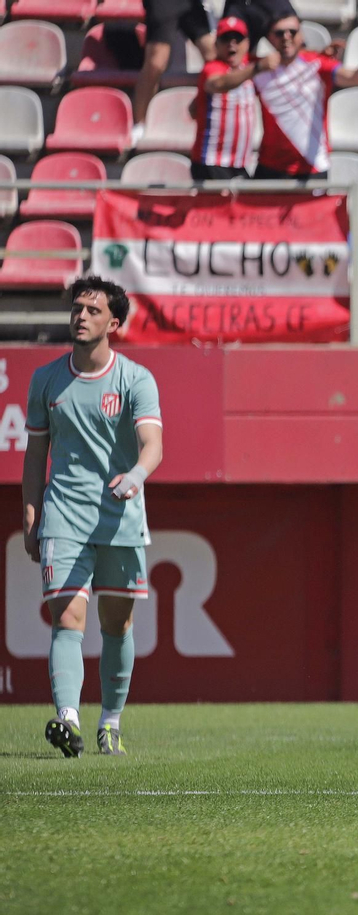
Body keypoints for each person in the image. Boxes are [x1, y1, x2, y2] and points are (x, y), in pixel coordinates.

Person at [22, 277, 164, 759]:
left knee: (117, 625)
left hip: (121, 516)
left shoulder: (135, 379)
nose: (81, 316)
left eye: (93, 310)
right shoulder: (45, 379)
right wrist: (31, 513)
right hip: (63, 514)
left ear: (114, 323)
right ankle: (67, 719)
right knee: (67, 618)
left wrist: (137, 474)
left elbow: (153, 444)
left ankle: (110, 721)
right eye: (77, 308)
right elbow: (34, 453)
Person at [251, 13, 358, 181]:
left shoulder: (317, 63)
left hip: (312, 165)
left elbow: (353, 77)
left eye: (292, 32)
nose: (286, 37)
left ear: (301, 35)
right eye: (279, 33)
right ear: (270, 38)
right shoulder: (259, 68)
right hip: (271, 165)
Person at [190, 16, 273, 183]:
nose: (232, 44)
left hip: (238, 163)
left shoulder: (248, 66)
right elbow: (219, 83)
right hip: (212, 161)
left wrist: (321, 53)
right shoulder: (213, 67)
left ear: (247, 43)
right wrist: (256, 68)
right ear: (216, 44)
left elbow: (285, 59)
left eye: (238, 39)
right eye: (226, 39)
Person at [131, 0, 216, 147]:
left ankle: (215, 115)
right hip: (164, 4)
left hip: (191, 4)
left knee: (213, 56)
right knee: (156, 63)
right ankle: (139, 123)